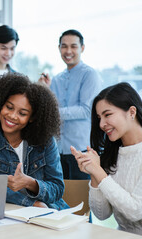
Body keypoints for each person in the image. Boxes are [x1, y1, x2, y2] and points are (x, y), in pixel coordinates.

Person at [0, 73, 68, 209]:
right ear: (0, 105)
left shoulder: (46, 142)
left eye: (22, 113)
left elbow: (57, 189)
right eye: (9, 107)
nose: (12, 116)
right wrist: (32, 203)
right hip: (12, 214)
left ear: (32, 118)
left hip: (51, 212)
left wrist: (30, 183)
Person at [71, 82, 142, 237]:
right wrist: (93, 173)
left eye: (107, 115)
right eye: (99, 118)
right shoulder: (113, 153)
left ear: (131, 112)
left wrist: (99, 172)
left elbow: (135, 211)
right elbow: (102, 214)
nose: (101, 124)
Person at [39, 29, 102, 180]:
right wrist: (45, 90)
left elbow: (86, 110)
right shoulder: (57, 79)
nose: (68, 51)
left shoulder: (90, 75)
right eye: (64, 46)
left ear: (82, 48)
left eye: (73, 46)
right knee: (63, 195)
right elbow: (49, 110)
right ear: (59, 48)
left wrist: (54, 112)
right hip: (58, 150)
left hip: (82, 149)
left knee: (81, 196)